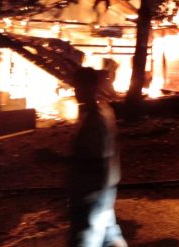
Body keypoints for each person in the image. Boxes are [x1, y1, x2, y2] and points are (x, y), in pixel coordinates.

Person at [68, 67, 127, 247]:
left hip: (93, 192)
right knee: (110, 235)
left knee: (87, 239)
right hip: (105, 189)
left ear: (91, 87)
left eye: (79, 87)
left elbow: (96, 159)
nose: (76, 92)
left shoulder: (97, 118)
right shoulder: (104, 110)